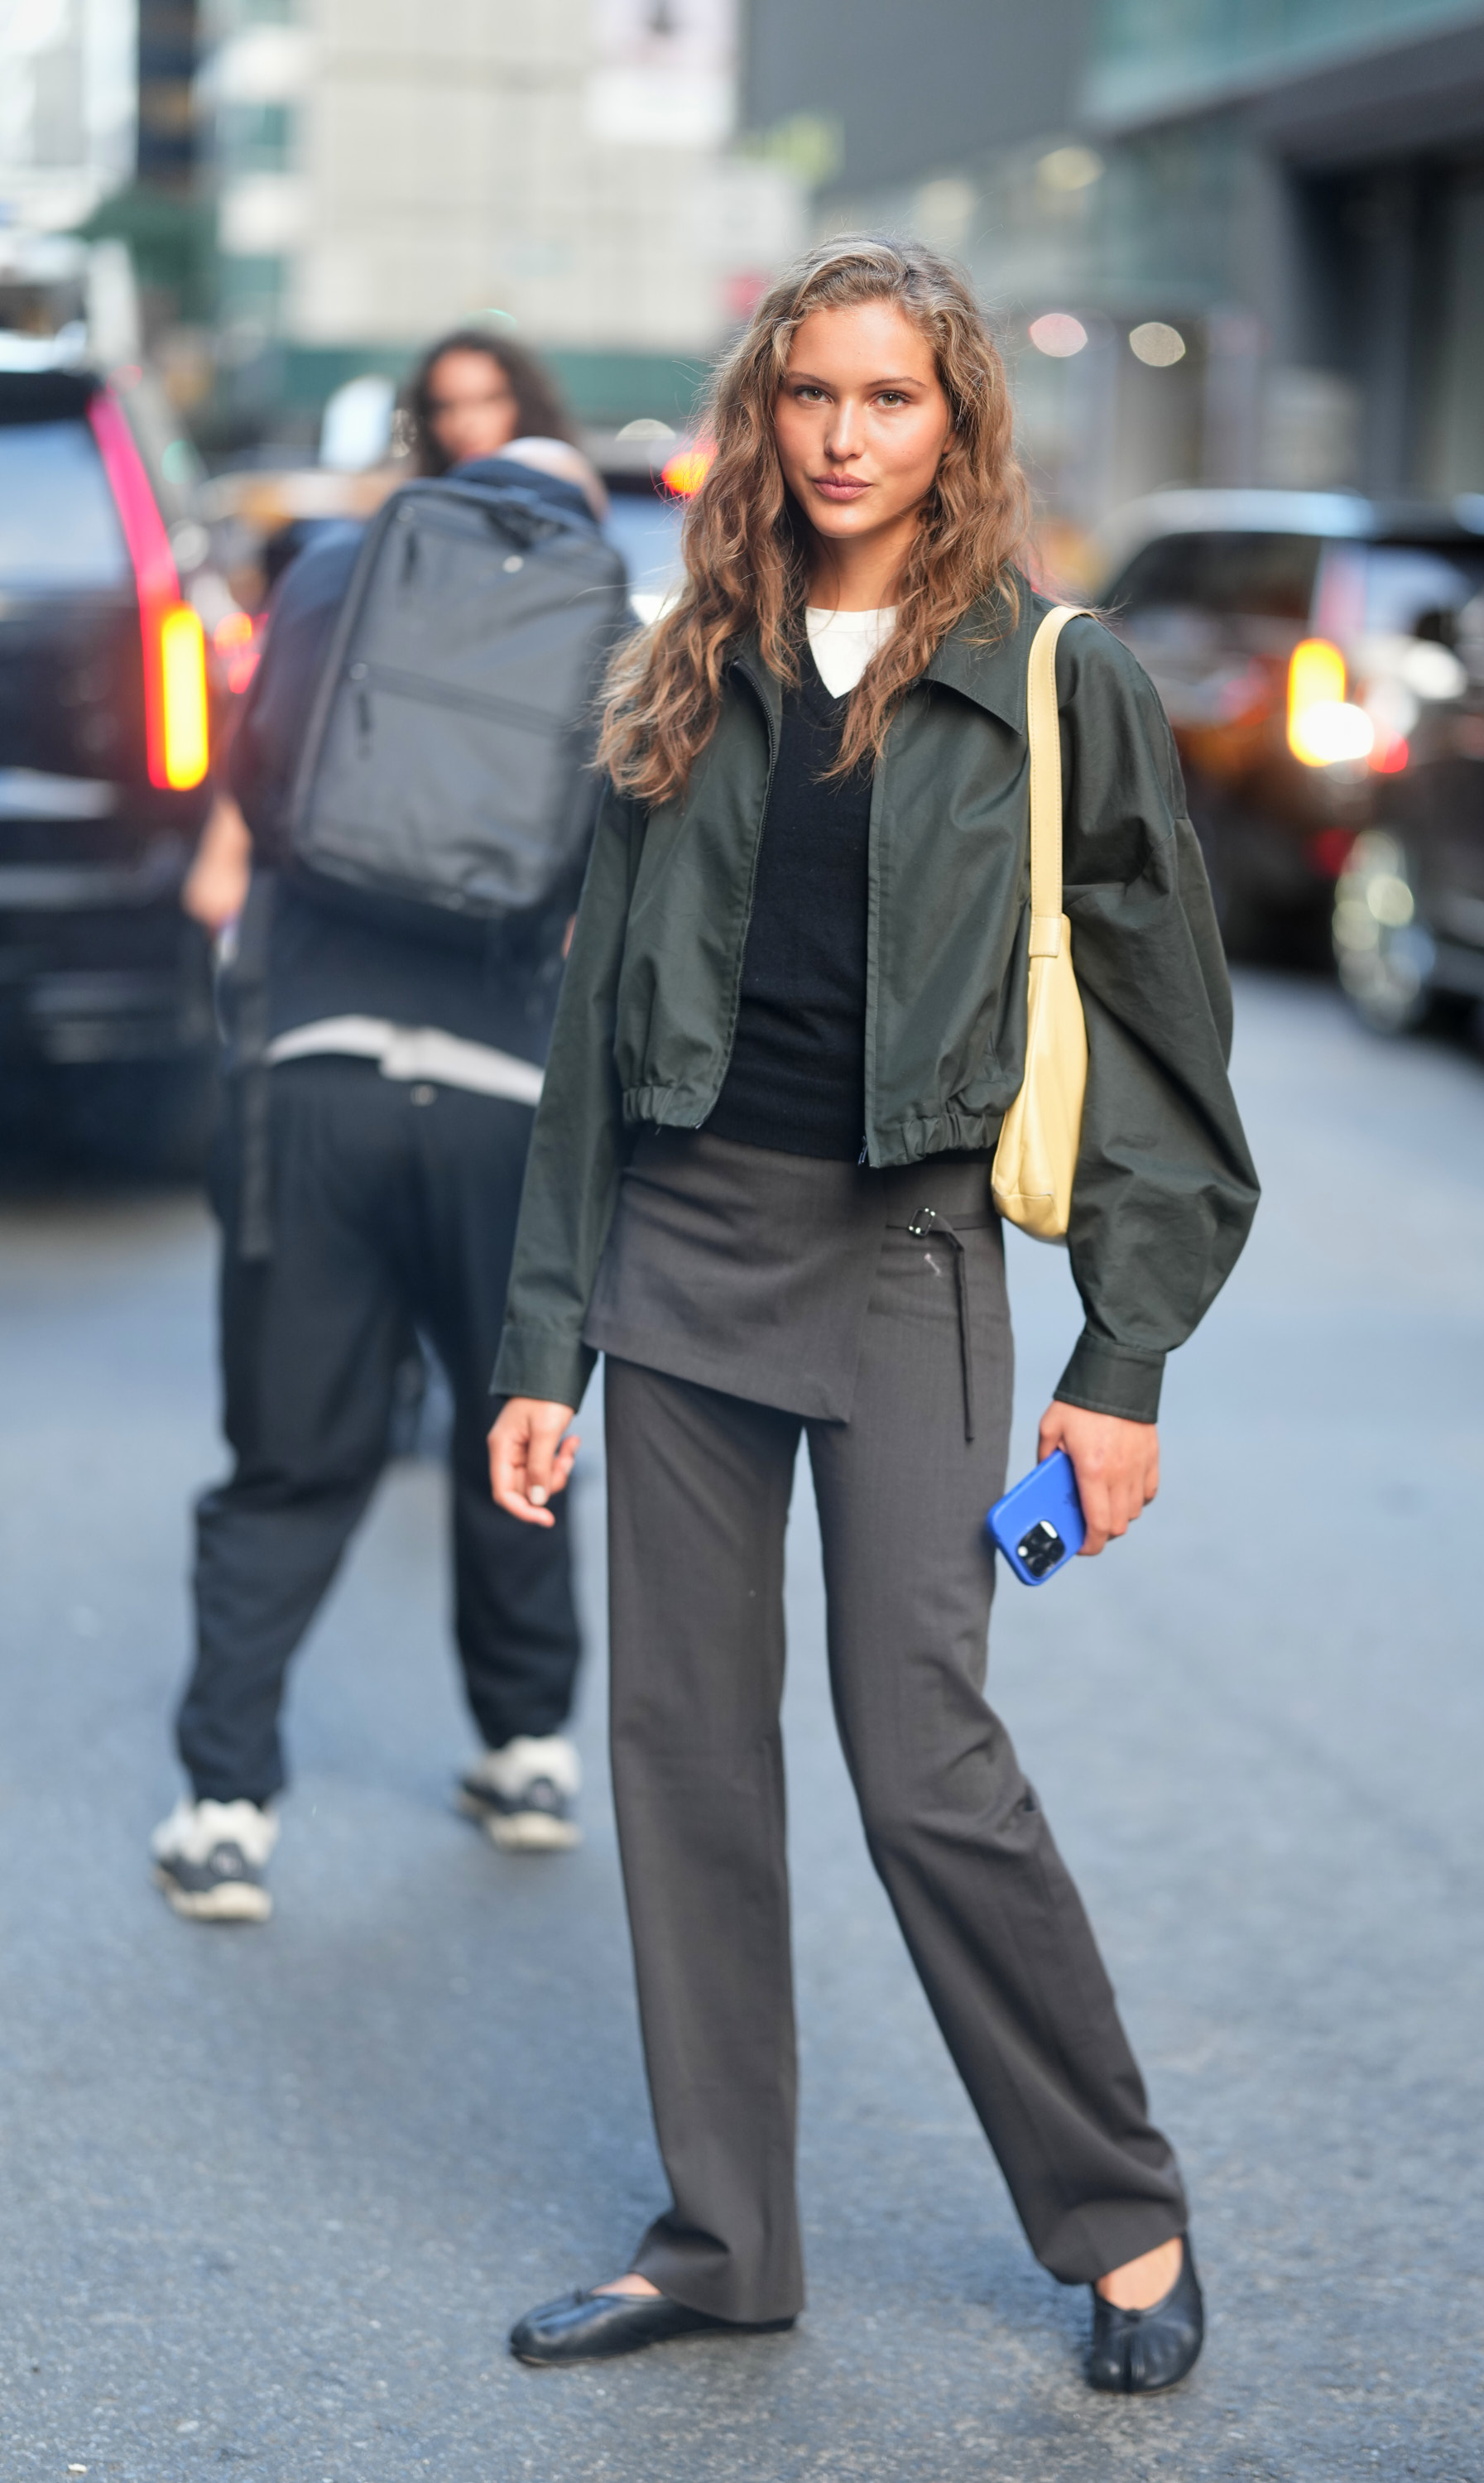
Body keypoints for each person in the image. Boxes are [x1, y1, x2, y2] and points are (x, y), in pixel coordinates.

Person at [487, 238, 1260, 2392]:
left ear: (959, 425)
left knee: (923, 1757)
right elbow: (581, 1041)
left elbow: (1169, 1050)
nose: (843, 438)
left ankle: (1121, 2214)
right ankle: (723, 2232)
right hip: (681, 1258)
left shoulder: (1051, 674)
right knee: (680, 1758)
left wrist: (1124, 1372)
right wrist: (544, 1342)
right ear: (767, 412)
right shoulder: (688, 659)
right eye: (810, 396)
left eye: (887, 400)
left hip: (910, 1263)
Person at [152, 336, 618, 1924]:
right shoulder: (608, 634)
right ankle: (530, 1748)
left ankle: (225, 1804)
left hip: (314, 1070)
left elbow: (258, 794)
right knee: (519, 1447)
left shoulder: (335, 578)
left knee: (290, 1454)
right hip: (506, 1103)